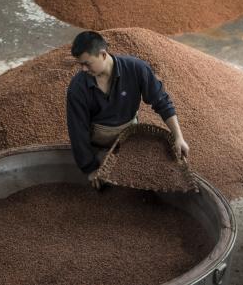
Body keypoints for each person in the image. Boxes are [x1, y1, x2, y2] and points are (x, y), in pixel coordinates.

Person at [66, 31, 190, 189]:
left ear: (103, 54)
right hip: (97, 144)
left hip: (130, 140)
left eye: (87, 63)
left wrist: (178, 137)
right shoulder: (78, 88)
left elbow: (161, 101)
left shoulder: (135, 69)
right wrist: (90, 168)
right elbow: (78, 131)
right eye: (80, 64)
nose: (83, 69)